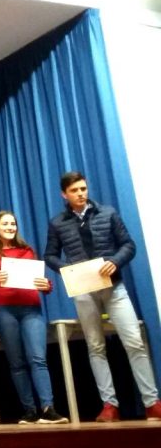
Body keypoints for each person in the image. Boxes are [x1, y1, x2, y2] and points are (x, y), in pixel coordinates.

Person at [44, 171, 161, 422]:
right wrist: (66, 268)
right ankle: (110, 405)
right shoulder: (57, 223)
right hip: (83, 290)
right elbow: (50, 255)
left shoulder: (107, 213)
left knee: (134, 342)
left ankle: (152, 403)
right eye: (75, 190)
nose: (81, 193)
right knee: (96, 347)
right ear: (64, 194)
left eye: (83, 188)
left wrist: (115, 262)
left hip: (113, 287)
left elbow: (129, 245)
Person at [0, 211, 68, 425]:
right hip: (4, 311)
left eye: (13, 223)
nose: (10, 227)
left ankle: (48, 409)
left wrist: (46, 285)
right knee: (17, 362)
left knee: (38, 359)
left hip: (31, 309)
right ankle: (29, 410)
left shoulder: (27, 250)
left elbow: (40, 281)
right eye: (5, 224)